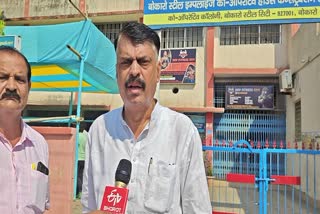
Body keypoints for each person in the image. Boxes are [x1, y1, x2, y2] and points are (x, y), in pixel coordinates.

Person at [81, 23, 211, 213]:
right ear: (117, 71)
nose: (134, 71)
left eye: (143, 62)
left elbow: (197, 208)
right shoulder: (100, 131)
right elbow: (89, 205)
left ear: (158, 71)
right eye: (126, 62)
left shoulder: (181, 131)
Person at [0, 46, 50, 213]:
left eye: (20, 79)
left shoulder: (39, 144)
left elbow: (44, 207)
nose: (12, 87)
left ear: (29, 86)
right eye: (3, 77)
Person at [77, 124, 88, 199]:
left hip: (77, 158)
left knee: (78, 176)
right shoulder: (87, 135)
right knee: (82, 176)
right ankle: (83, 192)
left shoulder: (77, 136)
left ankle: (79, 192)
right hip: (84, 158)